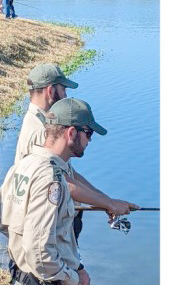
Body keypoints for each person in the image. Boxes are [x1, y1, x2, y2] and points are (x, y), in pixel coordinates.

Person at [0, 98, 107, 285]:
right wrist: (74, 279)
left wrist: (22, 248)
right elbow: (40, 252)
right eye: (88, 133)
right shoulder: (51, 179)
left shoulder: (23, 165)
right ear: (71, 132)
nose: (90, 140)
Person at [15, 64, 139, 237]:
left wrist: (106, 201)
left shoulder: (42, 121)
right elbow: (60, 181)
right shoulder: (40, 129)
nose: (66, 95)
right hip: (48, 228)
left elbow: (68, 173)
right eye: (64, 89)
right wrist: (108, 203)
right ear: (51, 91)